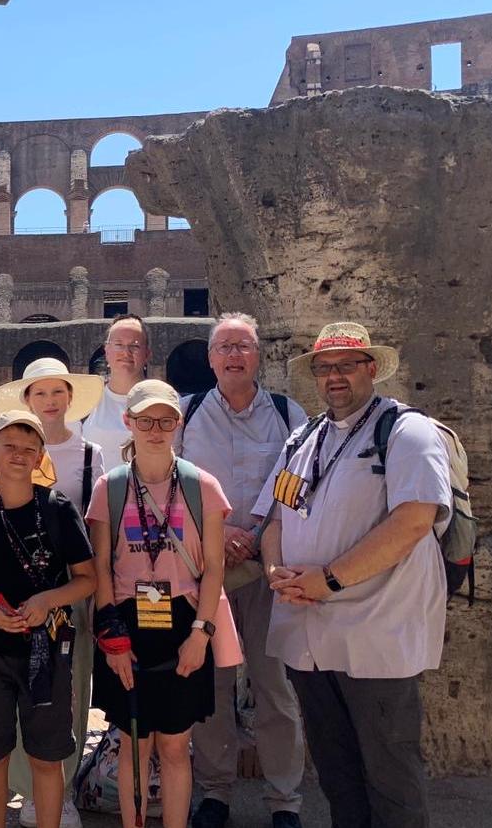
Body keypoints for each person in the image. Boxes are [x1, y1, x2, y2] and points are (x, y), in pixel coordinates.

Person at [255, 322, 450, 828]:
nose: (334, 377)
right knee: (336, 771)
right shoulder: (304, 436)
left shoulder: (407, 430)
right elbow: (275, 517)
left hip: (375, 633)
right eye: (324, 368)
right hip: (309, 633)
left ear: (370, 369)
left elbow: (413, 520)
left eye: (345, 365)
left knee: (391, 773)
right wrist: (277, 569)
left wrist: (329, 579)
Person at [177, 314, 307, 828]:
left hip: (267, 569)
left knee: (275, 686)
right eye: (225, 347)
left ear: (258, 356)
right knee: (212, 686)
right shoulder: (186, 413)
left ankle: (285, 801)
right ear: (211, 359)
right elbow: (178, 487)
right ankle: (215, 793)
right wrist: (218, 535)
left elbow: (298, 484)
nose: (234, 355)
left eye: (244, 346)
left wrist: (254, 534)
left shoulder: (286, 412)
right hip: (208, 574)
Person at [90, 380, 231, 828]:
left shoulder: (201, 486)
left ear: (178, 423)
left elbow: (214, 567)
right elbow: (101, 570)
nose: (155, 429)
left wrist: (201, 634)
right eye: (145, 420)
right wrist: (113, 637)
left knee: (174, 746)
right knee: (134, 744)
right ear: (129, 422)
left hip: (184, 622)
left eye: (164, 420)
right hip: (127, 622)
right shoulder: (109, 488)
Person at [0, 411, 98, 828]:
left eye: (28, 448)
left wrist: (48, 599)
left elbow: (87, 579)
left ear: (39, 458)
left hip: (47, 652)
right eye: (9, 446)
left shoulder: (58, 509)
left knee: (47, 757)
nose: (18, 455)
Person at [0, 357, 105, 827]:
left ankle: (63, 787)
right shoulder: (11, 447)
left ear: (70, 398)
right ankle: (27, 790)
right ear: (27, 400)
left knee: (69, 693)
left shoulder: (88, 453)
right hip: (16, 592)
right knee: (17, 689)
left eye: (58, 393)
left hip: (66, 590)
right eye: (41, 394)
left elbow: (97, 532)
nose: (50, 402)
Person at [83, 315, 151, 473]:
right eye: (119, 345)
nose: (126, 352)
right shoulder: (86, 401)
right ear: (106, 352)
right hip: (99, 495)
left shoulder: (167, 401)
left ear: (147, 354)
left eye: (134, 346)